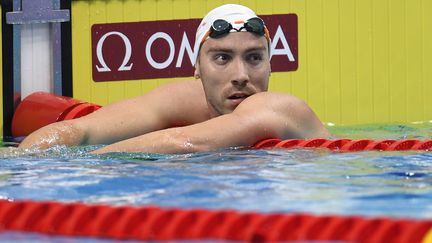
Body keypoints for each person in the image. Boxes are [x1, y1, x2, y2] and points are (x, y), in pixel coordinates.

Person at [18, 4, 329, 154]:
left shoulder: (278, 107)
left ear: (270, 65)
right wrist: (22, 160)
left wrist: (82, 163)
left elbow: (185, 142)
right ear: (197, 68)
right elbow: (80, 130)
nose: (241, 76)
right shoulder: (184, 99)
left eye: (254, 58)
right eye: (222, 58)